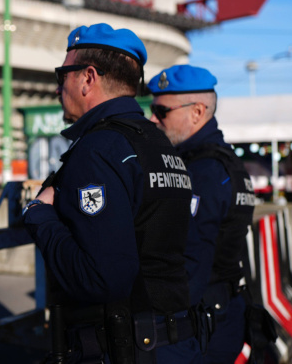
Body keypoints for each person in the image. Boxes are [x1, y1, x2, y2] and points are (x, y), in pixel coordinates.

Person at [22, 23, 198, 363]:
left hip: (126, 348)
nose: (59, 88)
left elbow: (100, 279)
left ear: (88, 78)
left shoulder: (98, 150)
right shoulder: (159, 143)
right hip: (176, 342)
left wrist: (39, 215)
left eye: (63, 75)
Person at [148, 65, 257, 363]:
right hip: (222, 311)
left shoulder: (202, 172)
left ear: (197, 112)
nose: (152, 118)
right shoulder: (225, 163)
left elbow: (185, 263)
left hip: (201, 325)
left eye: (161, 111)